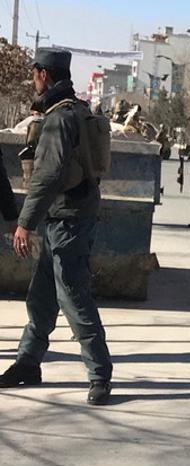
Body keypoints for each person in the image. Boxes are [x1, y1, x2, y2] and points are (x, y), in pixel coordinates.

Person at [0, 48, 114, 405]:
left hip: (68, 220)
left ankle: (100, 374)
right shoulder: (75, 110)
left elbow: (47, 176)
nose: (33, 79)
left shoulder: (59, 119)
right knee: (42, 295)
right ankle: (28, 362)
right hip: (67, 216)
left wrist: (24, 223)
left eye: (34, 73)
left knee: (73, 296)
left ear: (44, 75)